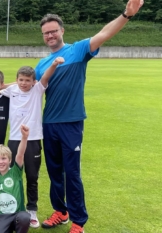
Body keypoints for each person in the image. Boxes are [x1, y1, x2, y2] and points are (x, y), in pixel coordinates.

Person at [34, 1, 144, 233]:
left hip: (72, 123)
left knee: (72, 173)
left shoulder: (79, 49)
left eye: (54, 30)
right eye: (46, 33)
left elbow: (104, 33)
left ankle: (78, 221)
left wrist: (126, 15)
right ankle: (61, 212)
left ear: (62, 31)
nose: (50, 35)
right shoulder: (42, 64)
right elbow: (25, 86)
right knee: (54, 172)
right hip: (49, 124)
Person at [0, 60, 64, 228]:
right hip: (14, 139)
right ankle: (10, 207)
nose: (23, 83)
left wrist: (55, 64)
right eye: (21, 80)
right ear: (17, 79)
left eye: (27, 80)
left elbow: (46, 77)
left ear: (33, 81)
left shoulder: (37, 89)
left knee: (32, 176)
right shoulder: (11, 90)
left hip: (33, 138)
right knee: (11, 176)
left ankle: (32, 209)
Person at [0, 125, 30, 233]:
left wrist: (24, 137)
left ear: (10, 160)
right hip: (3, 216)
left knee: (25, 217)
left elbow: (20, 154)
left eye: (4, 158)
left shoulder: (15, 172)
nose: (1, 162)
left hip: (18, 214)